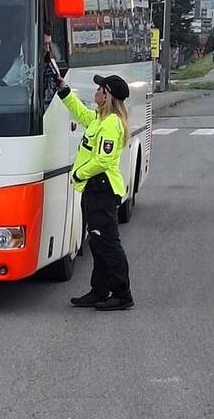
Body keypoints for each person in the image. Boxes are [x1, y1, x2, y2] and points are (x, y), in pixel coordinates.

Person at [56, 74, 134, 311]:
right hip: (95, 188)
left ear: (107, 95)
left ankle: (122, 293)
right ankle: (99, 290)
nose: (96, 91)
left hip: (102, 188)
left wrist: (79, 174)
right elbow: (82, 115)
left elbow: (102, 159)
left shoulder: (111, 124)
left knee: (108, 243)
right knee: (98, 241)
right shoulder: (101, 118)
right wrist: (65, 92)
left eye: (100, 88)